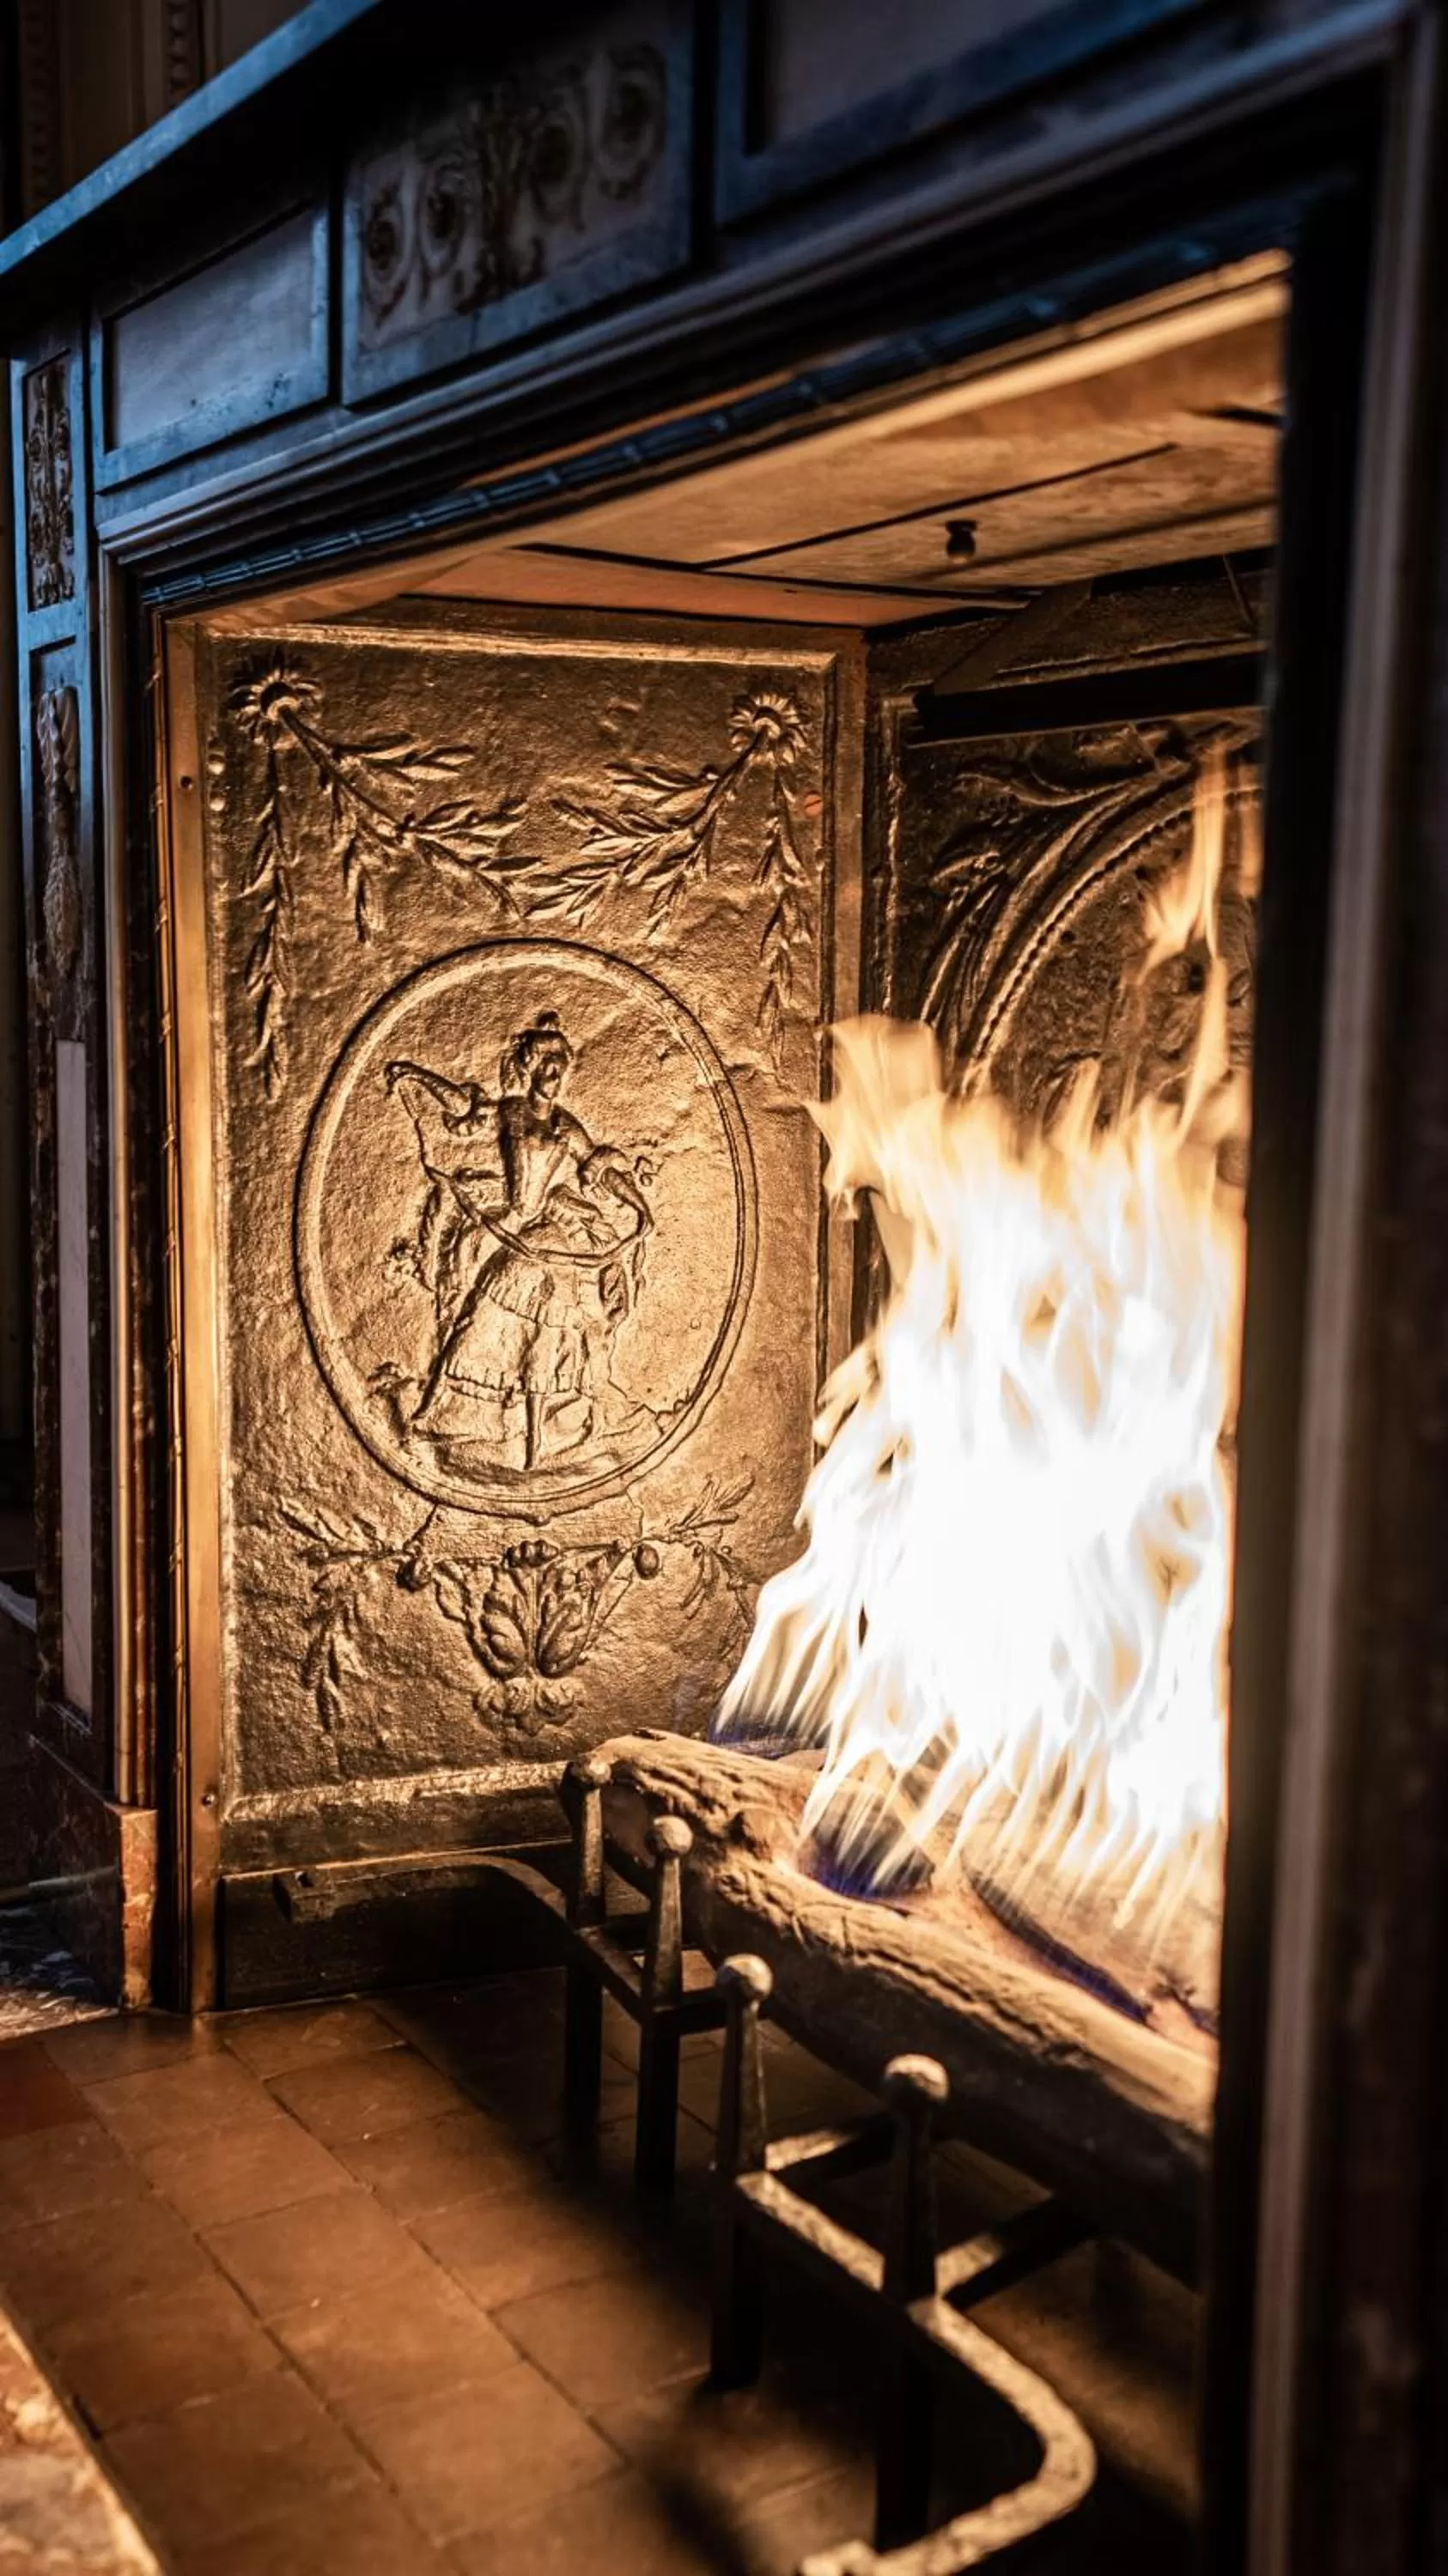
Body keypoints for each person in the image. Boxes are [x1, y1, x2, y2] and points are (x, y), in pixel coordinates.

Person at [385, 1010, 652, 1471]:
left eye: (560, 1069)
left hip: (548, 1237)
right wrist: (414, 1075)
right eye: (547, 1066)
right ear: (530, 1068)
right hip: (510, 1227)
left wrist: (641, 1209)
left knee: (543, 1340)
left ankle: (533, 1448)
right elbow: (462, 1112)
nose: (553, 1076)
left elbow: (601, 1168)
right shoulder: (510, 1113)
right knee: (474, 1319)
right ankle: (429, 1413)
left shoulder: (566, 1128)